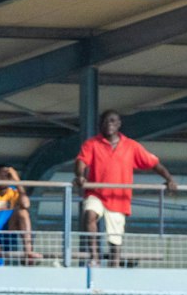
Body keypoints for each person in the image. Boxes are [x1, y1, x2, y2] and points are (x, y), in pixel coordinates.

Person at [74, 110, 176, 267]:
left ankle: (114, 266)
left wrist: (169, 179)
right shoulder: (92, 144)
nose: (109, 124)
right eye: (106, 121)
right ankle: (94, 258)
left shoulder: (131, 146)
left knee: (115, 237)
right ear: (100, 124)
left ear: (119, 124)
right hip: (96, 192)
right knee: (89, 215)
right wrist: (80, 175)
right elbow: (81, 161)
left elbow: (153, 163)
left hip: (119, 197)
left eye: (113, 121)